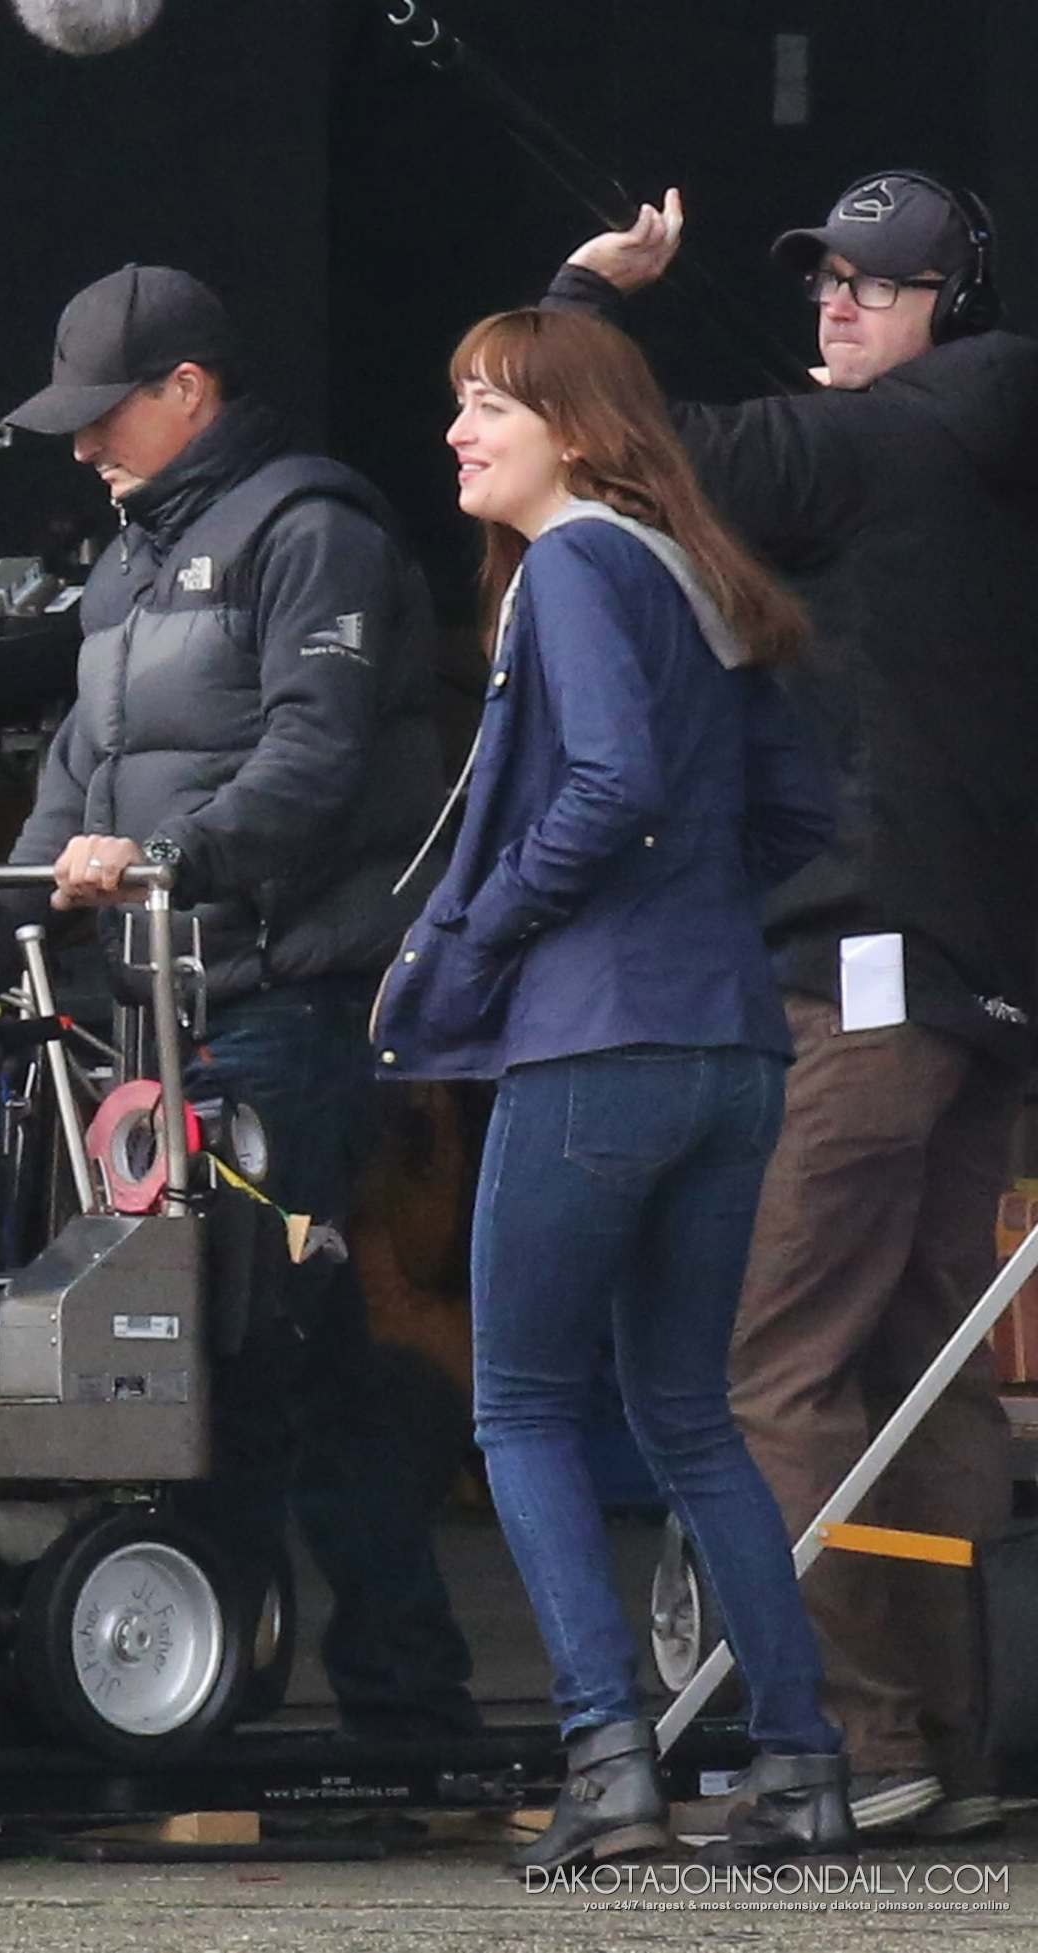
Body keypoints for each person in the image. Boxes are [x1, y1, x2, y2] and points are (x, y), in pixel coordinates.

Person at [0, 263, 478, 1744]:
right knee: (244, 1343)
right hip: (160, 1011)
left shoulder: (314, 533)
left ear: (190, 391)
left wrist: (171, 859)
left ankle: (310, 1687)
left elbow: (316, 757)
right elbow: (75, 783)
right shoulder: (128, 561)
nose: (84, 445)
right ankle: (296, 1685)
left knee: (259, 1344)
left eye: (105, 415)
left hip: (292, 1001)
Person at [554, 173, 1038, 1840]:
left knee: (768, 1361)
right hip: (979, 986)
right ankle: (948, 1744)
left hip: (868, 975)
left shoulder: (878, 444)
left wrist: (587, 296)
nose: (837, 303)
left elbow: (642, 450)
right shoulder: (974, 453)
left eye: (875, 284)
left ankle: (857, 1736)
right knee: (924, 1363)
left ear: (948, 310)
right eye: (826, 277)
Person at [370, 305, 851, 1867]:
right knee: (691, 1417)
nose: (456, 432)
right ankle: (802, 1765)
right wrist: (689, 908)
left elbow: (610, 786)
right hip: (731, 1039)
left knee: (519, 1407)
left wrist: (495, 929)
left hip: (596, 1043)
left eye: (487, 406)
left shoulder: (572, 565)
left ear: (573, 433)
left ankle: (607, 1760)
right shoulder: (697, 570)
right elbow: (796, 808)